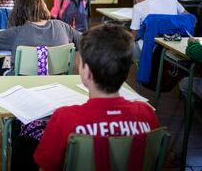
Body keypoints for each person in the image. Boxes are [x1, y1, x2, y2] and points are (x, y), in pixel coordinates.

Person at [33, 25, 160, 171]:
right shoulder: (146, 113)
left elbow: (46, 167)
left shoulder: (64, 118)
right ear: (125, 72)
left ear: (86, 72)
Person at [0, 0, 81, 71]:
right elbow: (83, 39)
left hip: (21, 84)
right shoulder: (62, 26)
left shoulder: (17, 32)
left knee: (3, 70)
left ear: (17, 9)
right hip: (58, 83)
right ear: (42, 5)